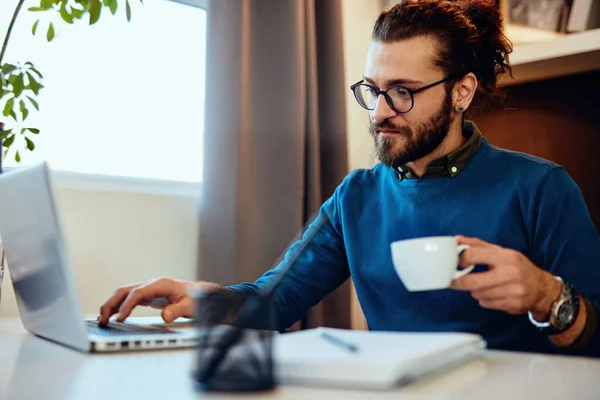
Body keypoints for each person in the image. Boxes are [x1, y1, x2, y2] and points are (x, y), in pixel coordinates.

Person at [99, 0, 600, 356]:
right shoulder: (355, 197)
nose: (380, 112)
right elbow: (272, 303)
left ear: (462, 92)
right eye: (373, 89)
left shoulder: (540, 188)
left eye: (402, 91)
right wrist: (204, 298)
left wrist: (548, 296)